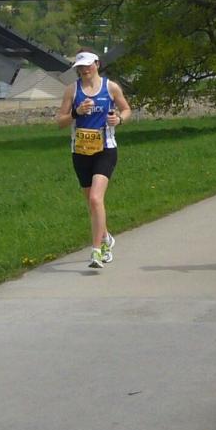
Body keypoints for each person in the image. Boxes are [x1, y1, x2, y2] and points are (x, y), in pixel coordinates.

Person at [57, 50, 131, 269]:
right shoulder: (72, 90)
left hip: (105, 149)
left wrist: (119, 119)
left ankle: (97, 250)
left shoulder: (111, 87)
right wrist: (76, 112)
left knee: (96, 199)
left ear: (97, 64)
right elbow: (60, 122)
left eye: (88, 65)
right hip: (80, 152)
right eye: (80, 67)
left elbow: (126, 109)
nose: (84, 70)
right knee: (91, 202)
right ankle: (106, 237)